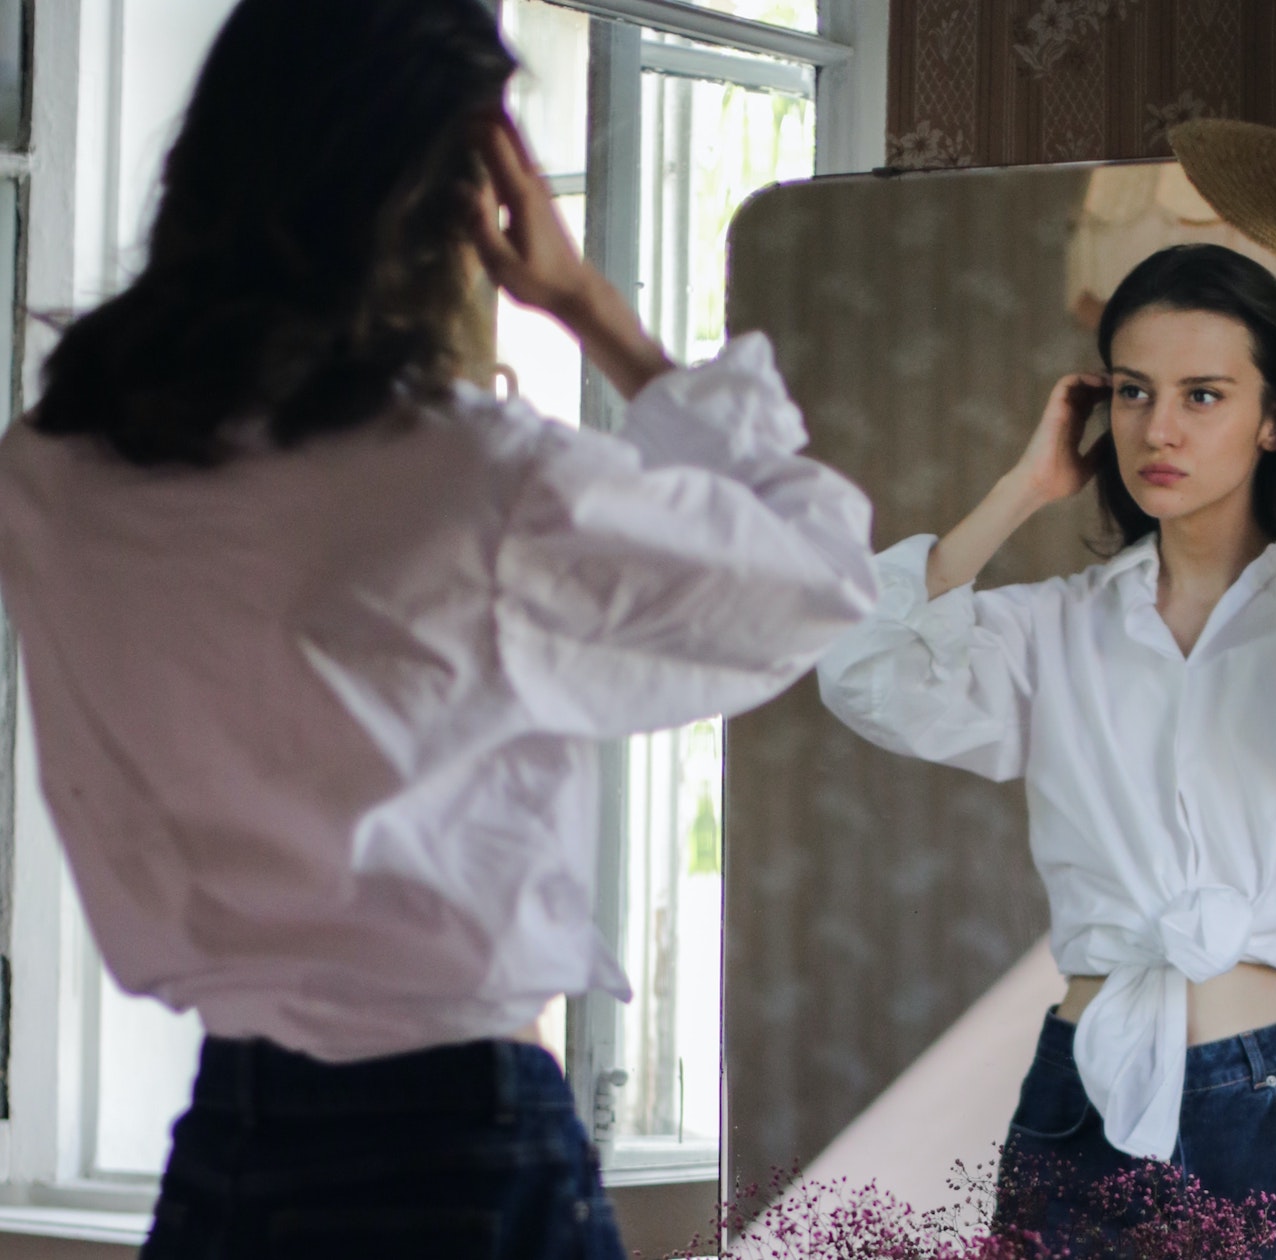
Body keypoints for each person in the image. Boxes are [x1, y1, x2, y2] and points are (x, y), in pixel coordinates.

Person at [0, 1, 875, 1255]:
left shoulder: (50, 470)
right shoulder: (478, 483)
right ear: (466, 192)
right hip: (459, 1137)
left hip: (232, 1142)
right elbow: (825, 578)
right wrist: (593, 311)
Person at [816, 240, 1276, 1259]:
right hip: (1084, 1098)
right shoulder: (1055, 626)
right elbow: (866, 674)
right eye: (1132, 391)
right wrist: (1024, 488)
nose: (1157, 429)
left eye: (1203, 395)